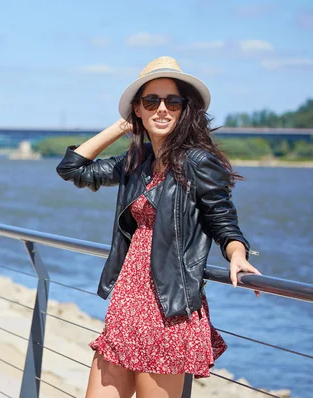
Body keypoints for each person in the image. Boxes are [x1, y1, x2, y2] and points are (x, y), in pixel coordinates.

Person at [56, 56, 261, 398]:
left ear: (185, 109)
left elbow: (223, 221)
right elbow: (73, 168)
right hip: (127, 302)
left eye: (172, 101)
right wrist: (123, 126)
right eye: (151, 101)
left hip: (168, 308)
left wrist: (237, 255)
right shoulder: (137, 161)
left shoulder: (198, 162)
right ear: (137, 109)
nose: (162, 109)